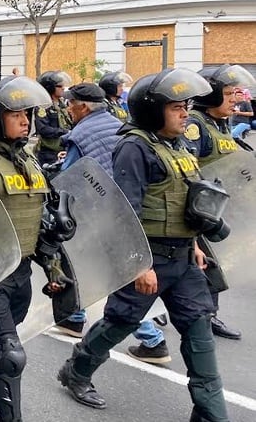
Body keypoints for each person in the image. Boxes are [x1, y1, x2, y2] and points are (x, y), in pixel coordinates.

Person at [58, 68, 230, 422]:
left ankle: (211, 414)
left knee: (199, 332)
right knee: (120, 322)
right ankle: (76, 370)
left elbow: (187, 199)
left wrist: (196, 244)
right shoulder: (135, 147)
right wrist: (140, 265)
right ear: (153, 111)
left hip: (184, 258)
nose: (185, 114)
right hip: (149, 256)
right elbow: (125, 211)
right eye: (176, 108)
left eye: (186, 106)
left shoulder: (177, 145)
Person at [0, 76, 69, 422]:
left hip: (20, 273)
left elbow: (40, 218)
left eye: (27, 113)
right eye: (15, 114)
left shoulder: (27, 158)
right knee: (10, 356)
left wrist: (53, 265)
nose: (25, 120)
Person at [52, 82, 171, 357]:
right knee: (87, 262)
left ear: (83, 107)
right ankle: (75, 317)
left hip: (100, 207)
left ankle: (152, 339)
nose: (68, 109)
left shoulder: (80, 133)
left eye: (71, 104)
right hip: (120, 201)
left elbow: (69, 175)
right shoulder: (115, 122)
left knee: (114, 271)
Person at [184, 64, 256, 341]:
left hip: (223, 208)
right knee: (207, 265)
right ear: (211, 95)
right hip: (203, 210)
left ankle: (207, 314)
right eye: (227, 94)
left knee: (214, 265)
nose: (234, 99)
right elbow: (190, 170)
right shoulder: (195, 125)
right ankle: (203, 316)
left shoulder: (220, 123)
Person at [34, 71, 72, 167]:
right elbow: (43, 129)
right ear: (50, 87)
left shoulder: (62, 104)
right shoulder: (43, 106)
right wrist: (65, 132)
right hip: (49, 152)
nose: (63, 88)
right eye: (60, 86)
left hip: (63, 148)